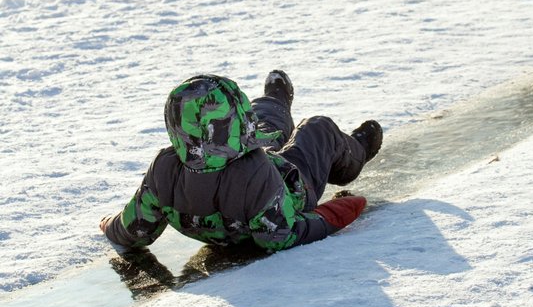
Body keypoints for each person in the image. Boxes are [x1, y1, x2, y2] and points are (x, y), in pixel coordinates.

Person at [100, 70, 383, 252]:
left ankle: (273, 101)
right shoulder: (255, 174)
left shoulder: (165, 168)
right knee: (317, 130)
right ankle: (355, 151)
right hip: (291, 187)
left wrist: (109, 225)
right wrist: (332, 214)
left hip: (246, 176)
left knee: (262, 129)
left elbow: (134, 229)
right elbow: (280, 235)